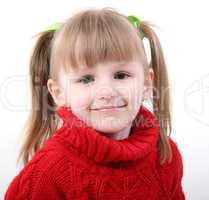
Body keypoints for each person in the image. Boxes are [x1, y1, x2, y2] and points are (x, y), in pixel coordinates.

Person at [4, 7, 185, 199]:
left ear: (147, 84)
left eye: (121, 75)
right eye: (86, 79)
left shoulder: (165, 155)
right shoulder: (48, 173)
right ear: (58, 93)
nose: (106, 92)